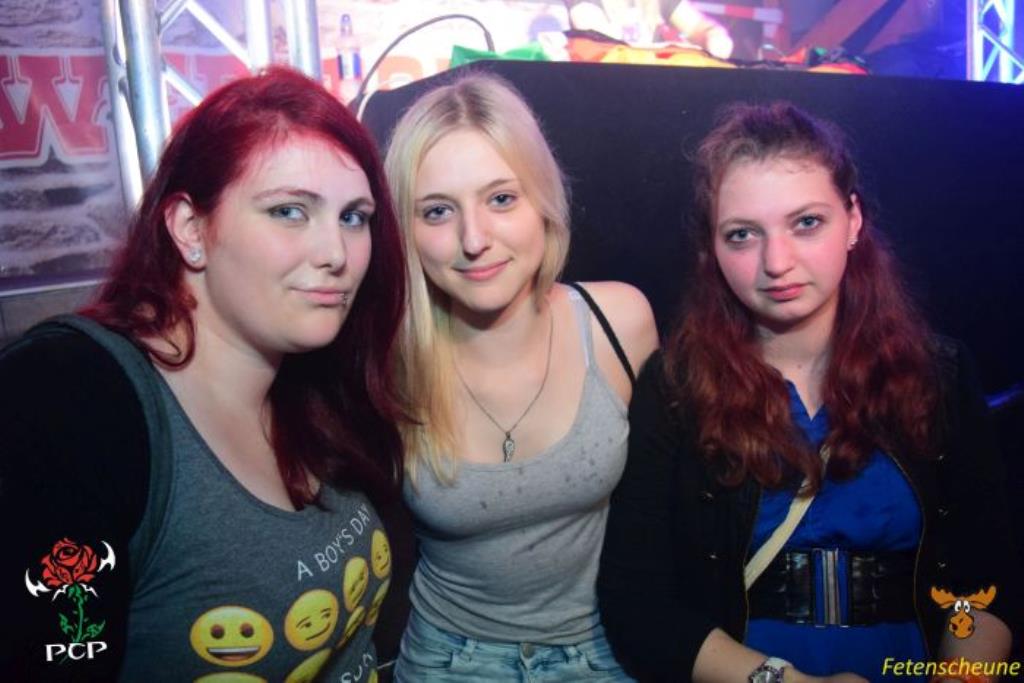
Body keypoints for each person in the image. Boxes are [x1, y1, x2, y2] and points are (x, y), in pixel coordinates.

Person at [1, 66, 406, 681]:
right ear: (191, 229)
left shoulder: (311, 367)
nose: (336, 254)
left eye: (354, 217)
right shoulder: (72, 401)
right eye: (289, 211)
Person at [597, 102, 1020, 682]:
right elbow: (638, 601)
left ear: (854, 220)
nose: (777, 262)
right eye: (742, 234)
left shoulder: (937, 376)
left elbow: (988, 577)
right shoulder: (677, 388)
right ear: (711, 248)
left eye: (806, 223)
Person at [383, 73, 659, 681]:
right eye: (437, 211)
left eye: (502, 199)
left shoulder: (621, 323)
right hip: (447, 661)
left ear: (543, 202)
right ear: (405, 230)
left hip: (610, 650)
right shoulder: (386, 360)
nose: (474, 239)